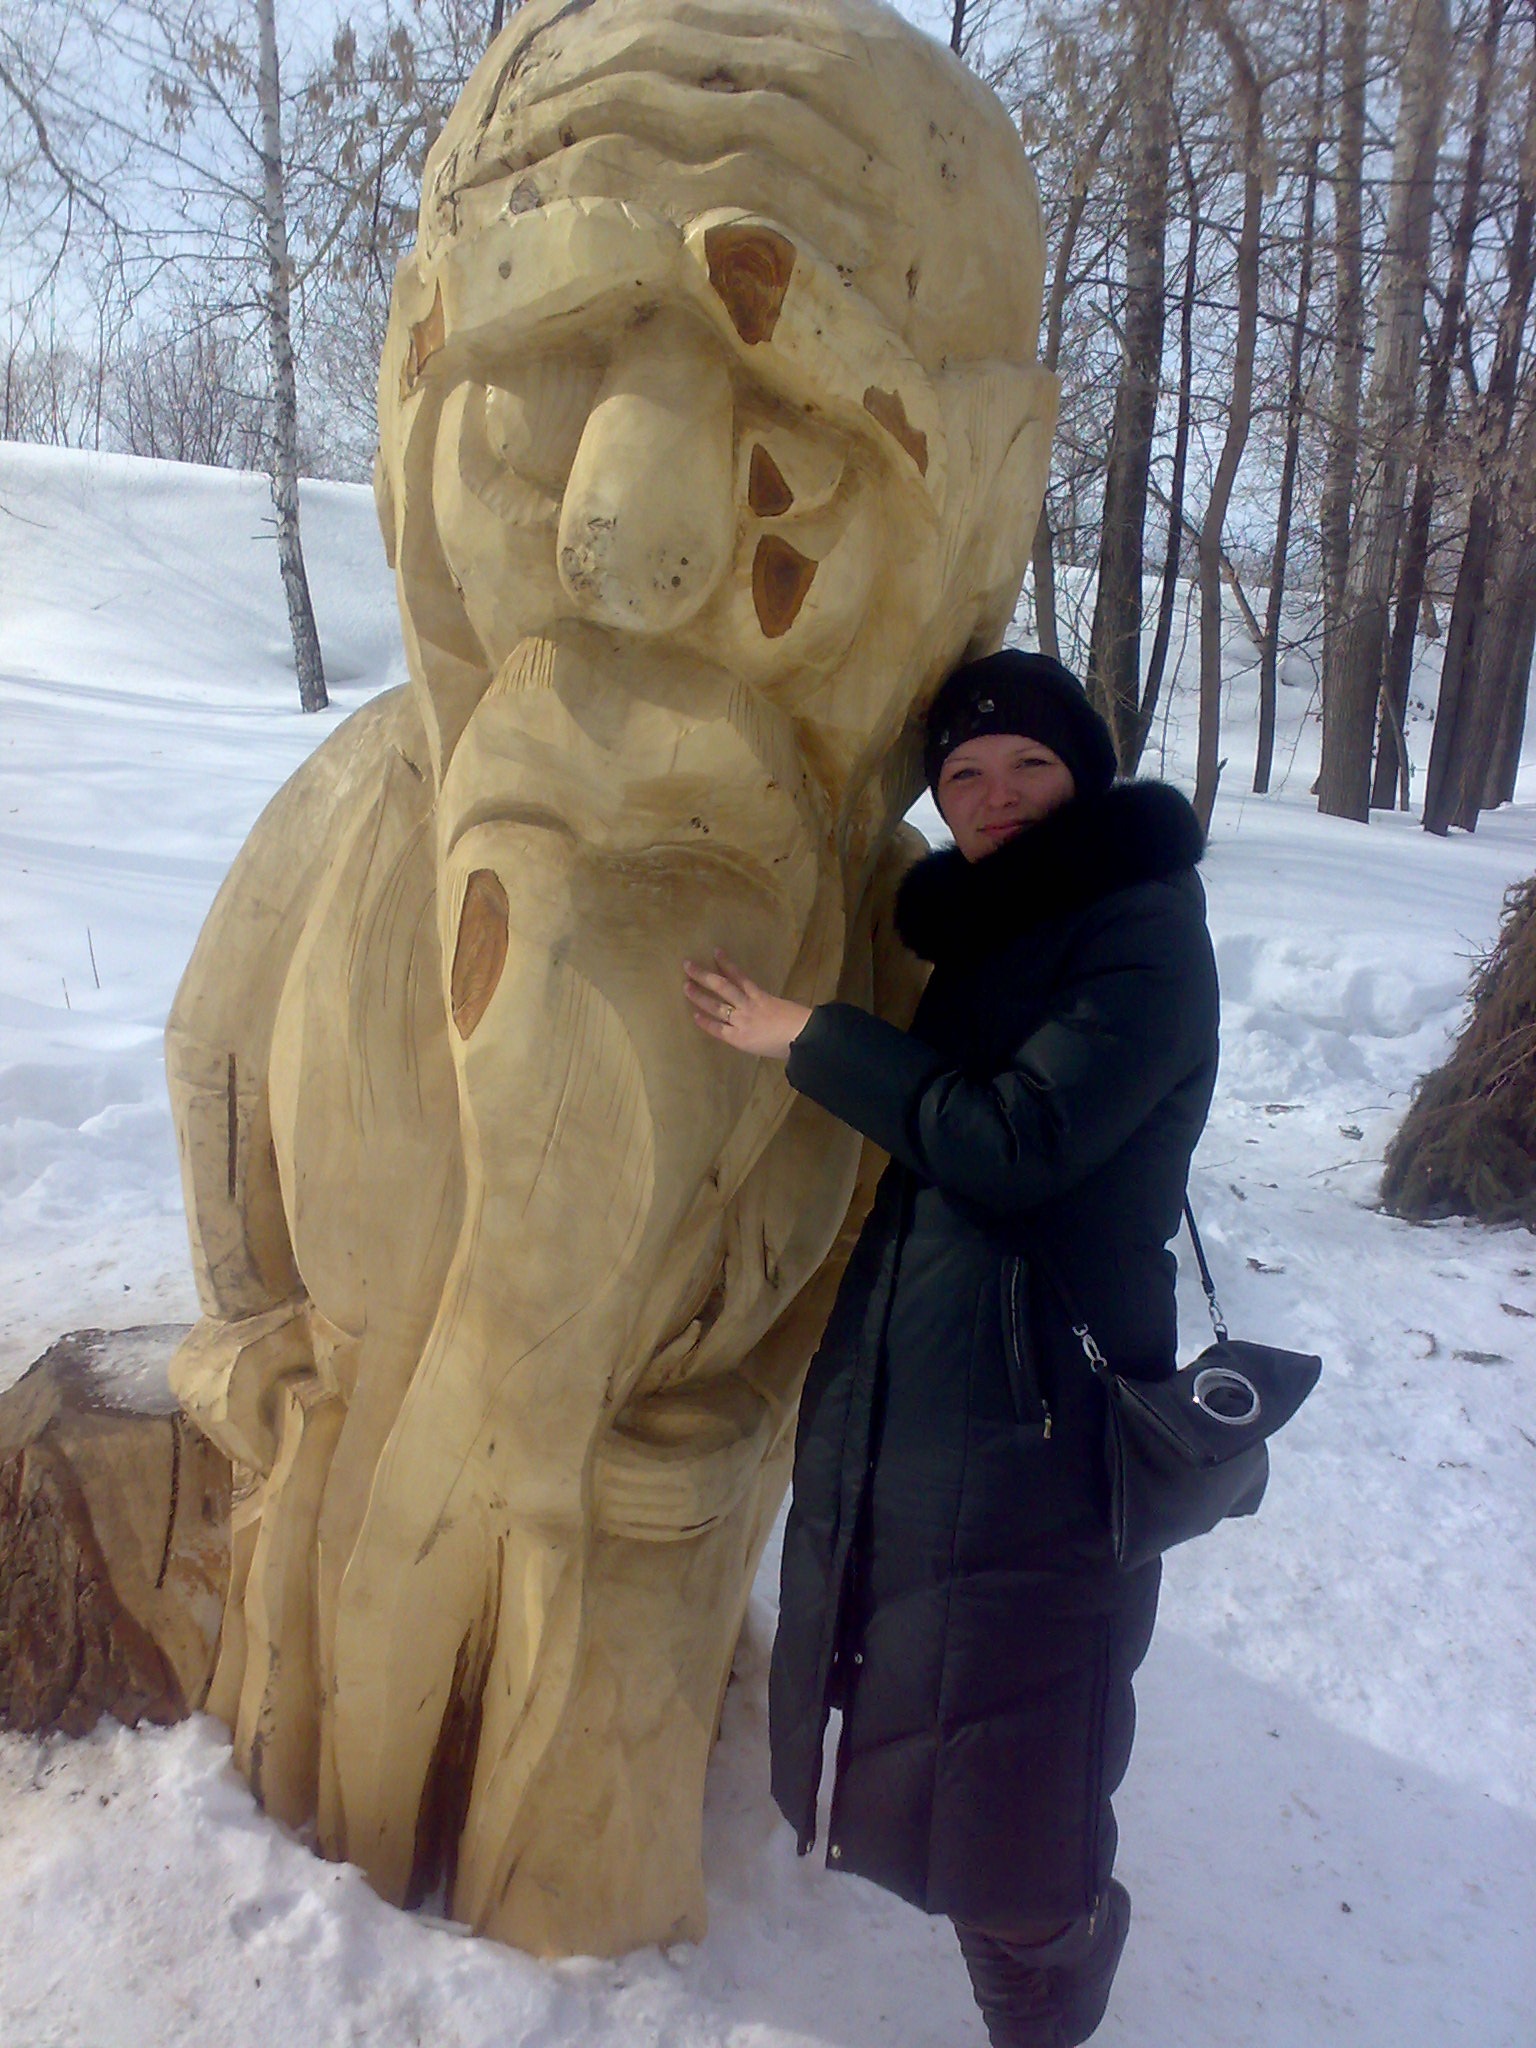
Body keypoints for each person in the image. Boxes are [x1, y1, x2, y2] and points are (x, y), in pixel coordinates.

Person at [684, 647, 1220, 2047]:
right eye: (965, 774)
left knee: (1020, 1735)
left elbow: (1013, 1142)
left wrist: (809, 1035)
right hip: (941, 1377)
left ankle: (1051, 1972)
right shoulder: (995, 929)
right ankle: (1026, 1955)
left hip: (1050, 1403)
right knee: (934, 1700)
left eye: (1030, 765)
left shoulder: (1143, 930)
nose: (996, 796)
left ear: (1084, 775)